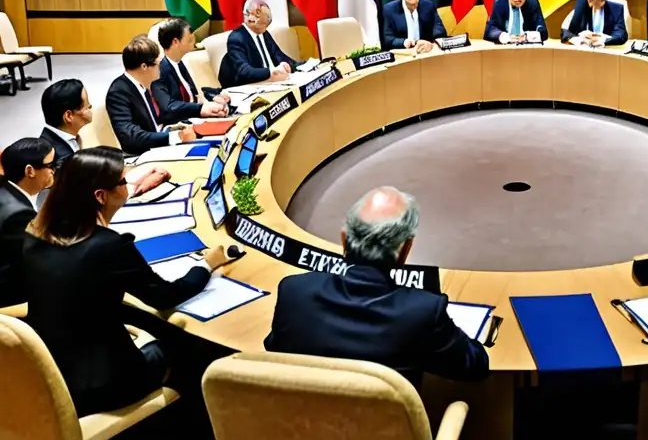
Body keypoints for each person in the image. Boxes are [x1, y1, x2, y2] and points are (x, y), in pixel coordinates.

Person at [22, 147, 232, 416]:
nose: (128, 185)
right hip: (106, 383)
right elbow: (164, 296)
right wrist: (207, 264)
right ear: (100, 196)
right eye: (123, 182)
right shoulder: (108, 246)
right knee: (194, 348)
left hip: (51, 370)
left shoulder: (35, 233)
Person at [264, 186, 489, 382]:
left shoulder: (294, 294)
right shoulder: (423, 313)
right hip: (385, 432)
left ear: (344, 240)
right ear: (405, 250)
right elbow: (475, 365)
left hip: (300, 428)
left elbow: (274, 348)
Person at [107, 36, 197, 155]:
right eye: (158, 64)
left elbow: (155, 121)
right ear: (144, 67)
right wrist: (173, 137)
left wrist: (173, 128)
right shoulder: (118, 92)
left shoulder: (144, 84)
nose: (161, 68)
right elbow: (130, 136)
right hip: (142, 156)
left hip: (158, 147)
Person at [0, 138, 55, 306]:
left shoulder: (5, 189)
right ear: (30, 171)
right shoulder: (19, 216)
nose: (54, 170)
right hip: (16, 301)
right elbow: (39, 264)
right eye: (50, 165)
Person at [152, 18, 228, 124]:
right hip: (180, 125)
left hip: (195, 117)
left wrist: (213, 98)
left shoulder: (180, 63)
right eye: (189, 38)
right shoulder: (158, 72)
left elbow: (192, 94)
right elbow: (169, 106)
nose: (194, 41)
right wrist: (201, 109)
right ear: (175, 42)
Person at [218, 0, 298, 89]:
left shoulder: (263, 33)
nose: (268, 21)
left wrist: (298, 66)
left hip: (273, 84)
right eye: (264, 18)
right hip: (248, 88)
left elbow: (279, 55)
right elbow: (244, 71)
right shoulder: (236, 38)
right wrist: (271, 72)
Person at [382, 0, 448, 53]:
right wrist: (405, 42)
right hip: (402, 53)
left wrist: (431, 43)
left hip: (424, 51)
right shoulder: (389, 9)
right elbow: (387, 38)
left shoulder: (428, 5)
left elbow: (440, 30)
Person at [561, 0, 627, 46]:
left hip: (606, 50)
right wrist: (580, 40)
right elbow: (565, 30)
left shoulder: (616, 9)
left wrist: (603, 40)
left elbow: (621, 35)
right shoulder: (581, 4)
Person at [40, 79, 93, 164]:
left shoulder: (71, 138)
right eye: (87, 107)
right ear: (68, 116)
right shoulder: (62, 160)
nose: (90, 108)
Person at [484, 0, 548, 44]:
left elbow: (543, 32)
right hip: (505, 47)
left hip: (527, 47)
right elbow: (490, 30)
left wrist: (527, 37)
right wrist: (506, 37)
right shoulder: (500, 2)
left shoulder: (532, 3)